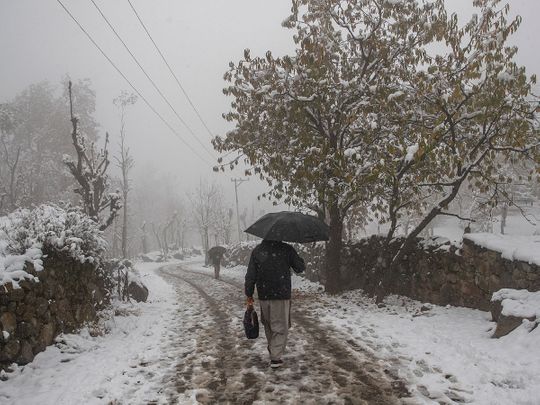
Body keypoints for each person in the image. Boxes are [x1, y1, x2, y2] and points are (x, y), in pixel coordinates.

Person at [245, 239, 305, 368]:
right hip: (281, 294)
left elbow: (250, 275)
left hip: (264, 294)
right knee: (280, 326)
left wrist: (249, 293)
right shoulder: (287, 249)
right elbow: (300, 268)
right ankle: (276, 358)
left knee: (268, 324)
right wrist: (300, 260)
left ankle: (273, 349)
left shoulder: (257, 251)